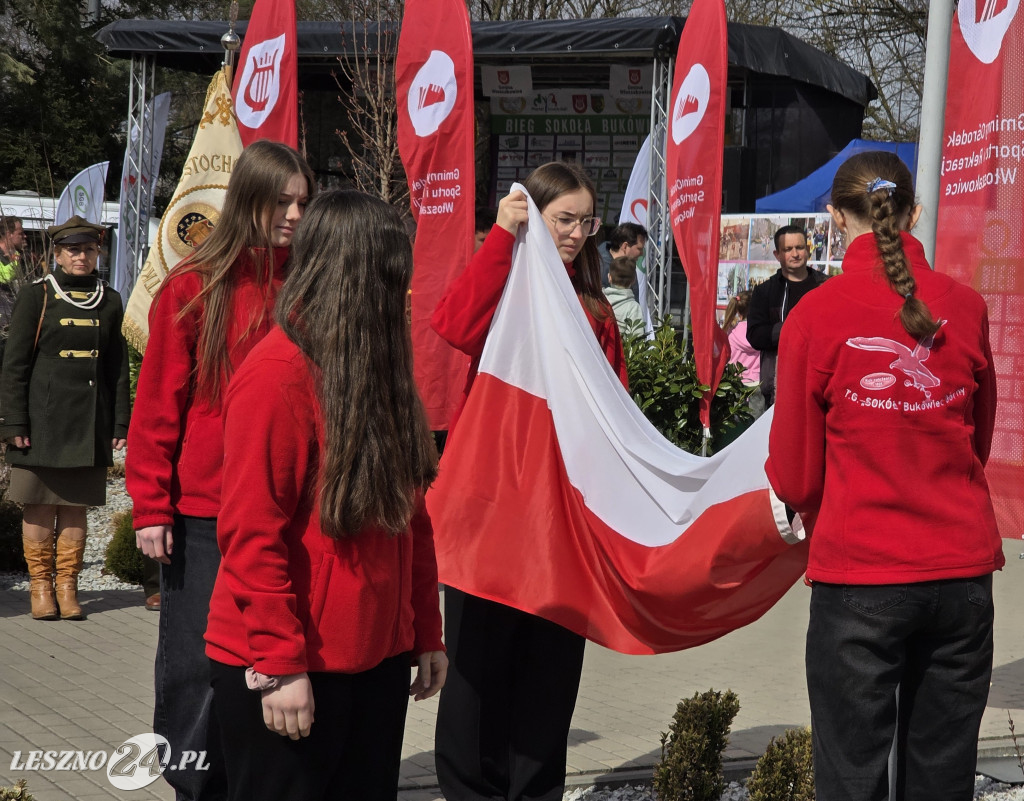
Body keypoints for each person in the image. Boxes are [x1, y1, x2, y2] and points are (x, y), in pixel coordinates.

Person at [765, 150, 1003, 801]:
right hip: (960, 574)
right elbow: (975, 444)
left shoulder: (815, 314)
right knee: (943, 773)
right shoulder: (967, 306)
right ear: (915, 213)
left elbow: (793, 477)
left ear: (833, 217)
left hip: (862, 574)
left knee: (851, 773)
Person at [205, 190, 446, 801]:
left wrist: (425, 631)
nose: (405, 291)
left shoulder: (378, 370)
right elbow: (250, 535)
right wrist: (281, 665)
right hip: (292, 664)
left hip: (373, 662)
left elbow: (410, 520)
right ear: (358, 274)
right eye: (395, 273)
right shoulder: (277, 376)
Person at [432, 161, 628, 801]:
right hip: (489, 515)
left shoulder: (595, 310)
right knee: (476, 674)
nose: (574, 233)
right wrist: (499, 238)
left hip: (561, 523)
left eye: (584, 221)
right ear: (532, 217)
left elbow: (616, 410)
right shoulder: (505, 288)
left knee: (549, 677)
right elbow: (454, 324)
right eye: (562, 219)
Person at [126, 139, 314, 801]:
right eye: (280, 200)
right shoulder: (192, 284)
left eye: (301, 201)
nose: (293, 213)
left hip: (285, 505)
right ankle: (193, 783)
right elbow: (156, 407)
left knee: (262, 655)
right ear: (248, 200)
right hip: (202, 511)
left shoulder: (311, 284)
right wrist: (150, 503)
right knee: (194, 665)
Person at [0, 216, 129, 620]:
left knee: (75, 507)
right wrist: (14, 423)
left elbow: (117, 368)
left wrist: (119, 424)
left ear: (98, 253)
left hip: (88, 421)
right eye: (73, 250)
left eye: (89, 250)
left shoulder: (110, 300)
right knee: (38, 505)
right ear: (57, 254)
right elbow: (14, 365)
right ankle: (40, 588)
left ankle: (68, 587)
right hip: (42, 422)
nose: (81, 257)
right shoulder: (36, 296)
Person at [745, 224, 826, 407]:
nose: (795, 254)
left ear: (808, 249)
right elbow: (755, 335)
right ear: (777, 255)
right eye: (788, 249)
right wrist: (792, 329)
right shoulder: (765, 291)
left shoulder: (825, 286)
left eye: (799, 247)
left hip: (819, 383)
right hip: (777, 388)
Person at [722, 290, 763, 417]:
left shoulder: (730, 333)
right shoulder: (761, 332)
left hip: (736, 383)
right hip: (757, 383)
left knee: (735, 424)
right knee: (756, 426)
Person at [598, 221, 647, 291]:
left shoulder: (629, 265)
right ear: (625, 246)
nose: (642, 253)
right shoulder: (598, 268)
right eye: (639, 249)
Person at [604, 255, 644, 335]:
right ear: (633, 280)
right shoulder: (633, 307)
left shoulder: (600, 299)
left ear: (609, 277)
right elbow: (637, 337)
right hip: (622, 346)